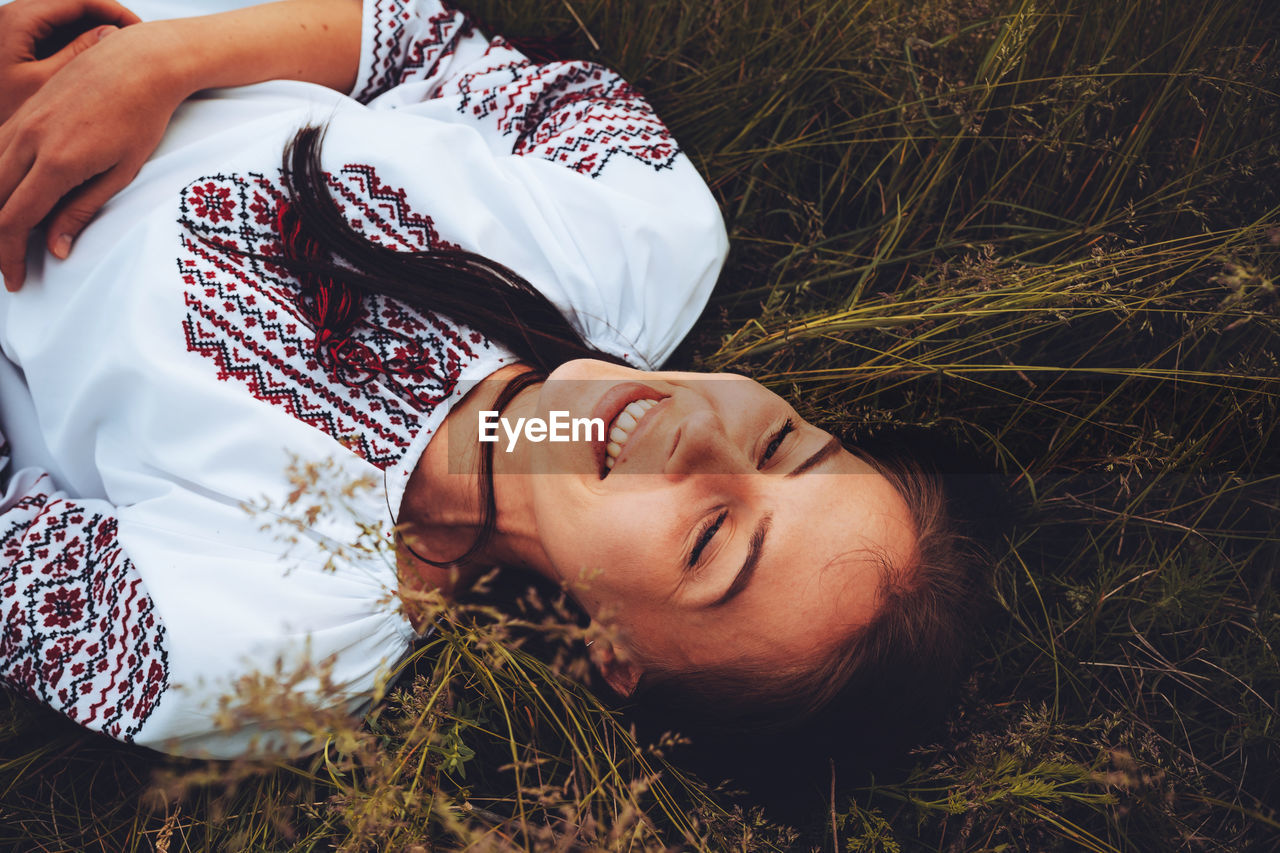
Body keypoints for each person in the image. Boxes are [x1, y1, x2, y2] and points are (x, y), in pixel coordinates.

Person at [0, 0, 980, 764]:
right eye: (780, 443)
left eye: (710, 537)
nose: (701, 440)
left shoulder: (274, 640)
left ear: (615, 655)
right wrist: (149, 62)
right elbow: (424, 45)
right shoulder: (635, 223)